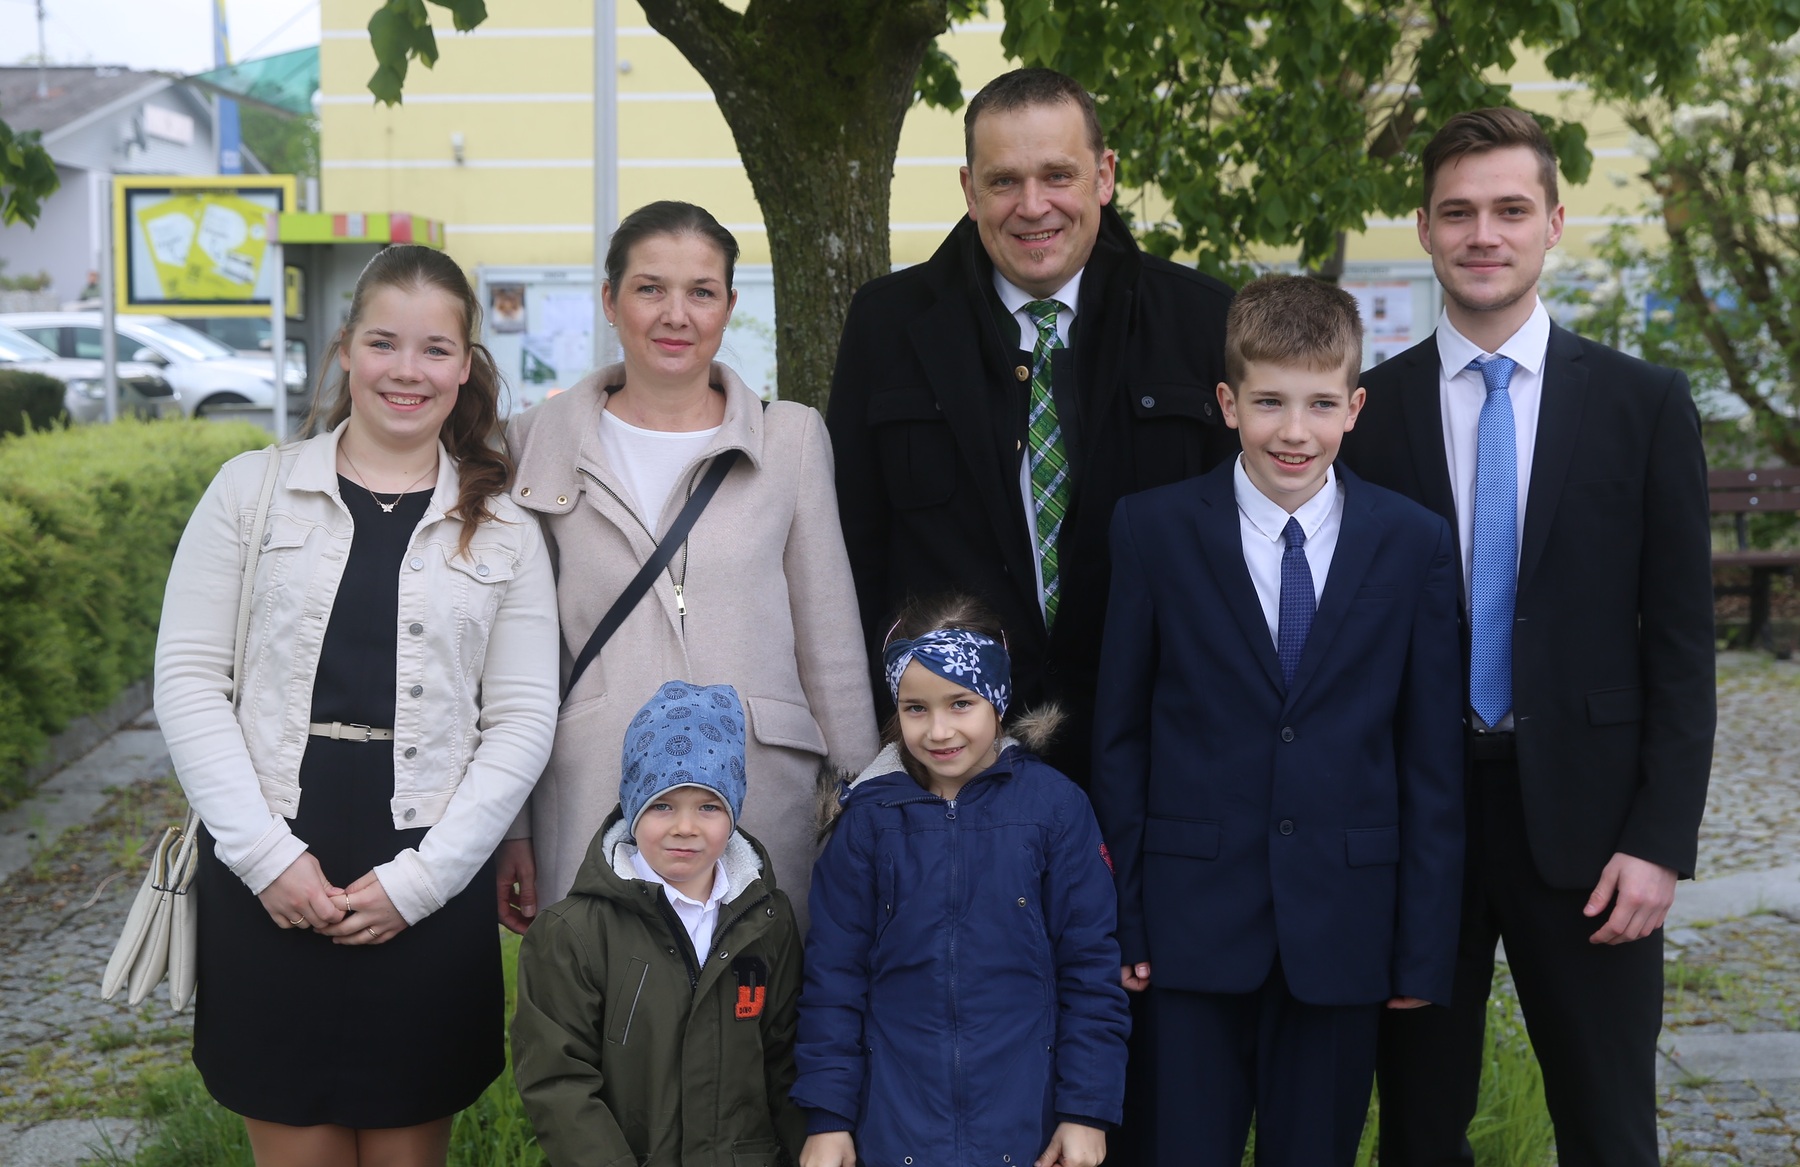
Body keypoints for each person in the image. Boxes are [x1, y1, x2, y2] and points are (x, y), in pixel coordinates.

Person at [1339, 108, 1716, 1167]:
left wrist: (1660, 840)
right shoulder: (1370, 414)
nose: (1483, 234)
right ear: (1423, 228)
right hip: (1420, 825)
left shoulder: (1643, 404)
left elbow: (1682, 644)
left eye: (1510, 210)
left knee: (1609, 1128)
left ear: (1553, 223)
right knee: (1418, 1131)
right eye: (1457, 212)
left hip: (1593, 831)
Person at [154, 244, 559, 1165]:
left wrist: (422, 883)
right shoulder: (251, 491)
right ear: (345, 349)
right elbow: (187, 677)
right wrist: (265, 857)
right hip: (267, 859)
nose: (407, 371)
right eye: (384, 343)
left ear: (466, 365)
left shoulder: (504, 527)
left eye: (435, 349)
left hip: (428, 867)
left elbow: (522, 719)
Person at [1089, 275, 1465, 1166]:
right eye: (1269, 402)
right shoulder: (1152, 530)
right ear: (1228, 403)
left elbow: (1430, 760)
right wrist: (1124, 918)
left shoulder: (1412, 541)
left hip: (1344, 928)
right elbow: (1122, 739)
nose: (1294, 430)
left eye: (1320, 404)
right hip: (1187, 927)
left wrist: (1420, 950)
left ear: (1354, 408)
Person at [827, 67, 1239, 783]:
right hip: (949, 765)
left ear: (1104, 176)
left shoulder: (1201, 321)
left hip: (1158, 751)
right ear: (968, 190)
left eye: (1057, 175)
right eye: (1004, 181)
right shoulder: (886, 327)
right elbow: (853, 557)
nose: (1032, 205)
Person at [499, 201, 877, 930]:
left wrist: (862, 804)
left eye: (701, 292)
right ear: (610, 300)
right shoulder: (534, 443)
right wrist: (514, 827)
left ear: (729, 306)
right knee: (606, 991)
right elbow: (516, 656)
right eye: (650, 288)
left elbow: (830, 646)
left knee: (764, 992)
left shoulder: (790, 439)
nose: (676, 314)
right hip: (596, 787)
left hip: (762, 789)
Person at [793, 594, 1130, 1167]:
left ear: (997, 699)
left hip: (1024, 1127)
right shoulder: (868, 822)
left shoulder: (1055, 809)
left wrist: (1085, 1111)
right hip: (895, 1129)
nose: (939, 730)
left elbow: (1089, 968)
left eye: (961, 703)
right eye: (915, 708)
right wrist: (829, 1118)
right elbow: (833, 978)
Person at [511, 680, 806, 1167]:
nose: (685, 827)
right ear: (632, 808)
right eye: (662, 805)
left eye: (709, 806)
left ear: (733, 812)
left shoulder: (767, 919)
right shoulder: (572, 933)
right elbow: (558, 1079)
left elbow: (785, 1057)